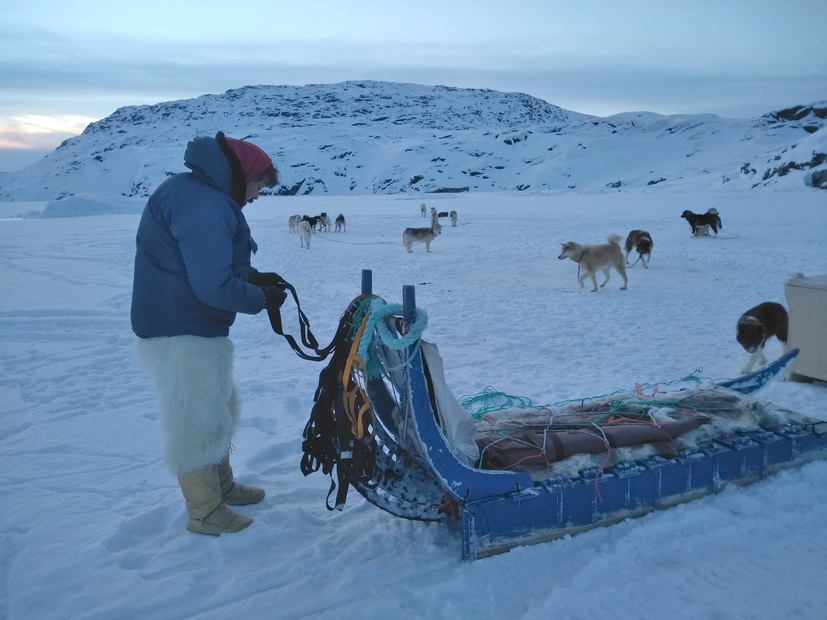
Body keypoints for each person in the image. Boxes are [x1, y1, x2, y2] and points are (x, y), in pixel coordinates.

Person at [131, 131, 287, 535]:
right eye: (258, 186)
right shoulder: (205, 204)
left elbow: (209, 264)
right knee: (198, 419)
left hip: (188, 323)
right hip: (181, 329)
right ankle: (205, 511)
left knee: (216, 408)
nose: (255, 196)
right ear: (244, 174)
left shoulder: (201, 195)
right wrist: (261, 298)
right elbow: (212, 285)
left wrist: (254, 278)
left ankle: (221, 486)